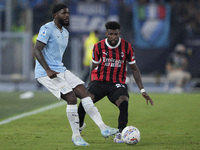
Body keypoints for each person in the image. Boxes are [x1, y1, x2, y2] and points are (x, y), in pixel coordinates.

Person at [33, 3, 118, 146]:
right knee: (71, 98)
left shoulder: (65, 33)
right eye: (63, 13)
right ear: (55, 15)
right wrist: (47, 70)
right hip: (45, 72)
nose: (67, 16)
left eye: (68, 13)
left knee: (85, 93)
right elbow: (37, 50)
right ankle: (76, 136)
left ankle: (104, 128)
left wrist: (57, 69)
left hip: (60, 69)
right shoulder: (47, 28)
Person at [78, 21, 154, 143]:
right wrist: (91, 83)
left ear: (119, 33)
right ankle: (80, 126)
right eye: (111, 34)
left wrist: (142, 89)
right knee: (84, 102)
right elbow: (93, 66)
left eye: (116, 34)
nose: (114, 37)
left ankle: (120, 134)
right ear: (106, 34)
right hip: (99, 81)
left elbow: (134, 68)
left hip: (117, 83)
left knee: (124, 102)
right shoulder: (98, 46)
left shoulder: (127, 47)